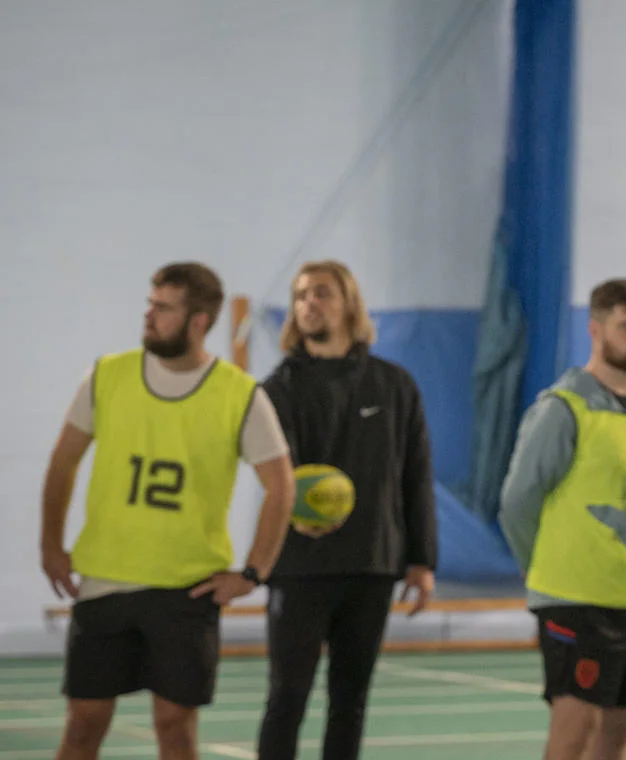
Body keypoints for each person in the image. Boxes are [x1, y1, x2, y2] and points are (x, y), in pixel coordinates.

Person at [40, 262, 294, 760]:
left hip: (187, 587)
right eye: (150, 304)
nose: (148, 315)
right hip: (105, 579)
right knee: (83, 724)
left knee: (174, 726)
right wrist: (50, 543)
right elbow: (64, 460)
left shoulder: (239, 394)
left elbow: (280, 486)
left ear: (199, 320)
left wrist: (252, 572)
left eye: (163, 307)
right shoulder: (107, 375)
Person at [255, 260, 438, 760]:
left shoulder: (394, 385)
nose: (309, 303)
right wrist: (300, 516)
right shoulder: (276, 390)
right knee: (286, 698)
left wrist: (422, 561)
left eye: (321, 293)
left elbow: (416, 476)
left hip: (370, 565)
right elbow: (275, 476)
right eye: (300, 296)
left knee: (350, 702)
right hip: (298, 567)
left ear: (348, 303)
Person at [499, 278, 626, 760]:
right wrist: (544, 570)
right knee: (574, 731)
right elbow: (517, 502)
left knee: (620, 729)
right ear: (596, 329)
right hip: (574, 598)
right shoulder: (563, 407)